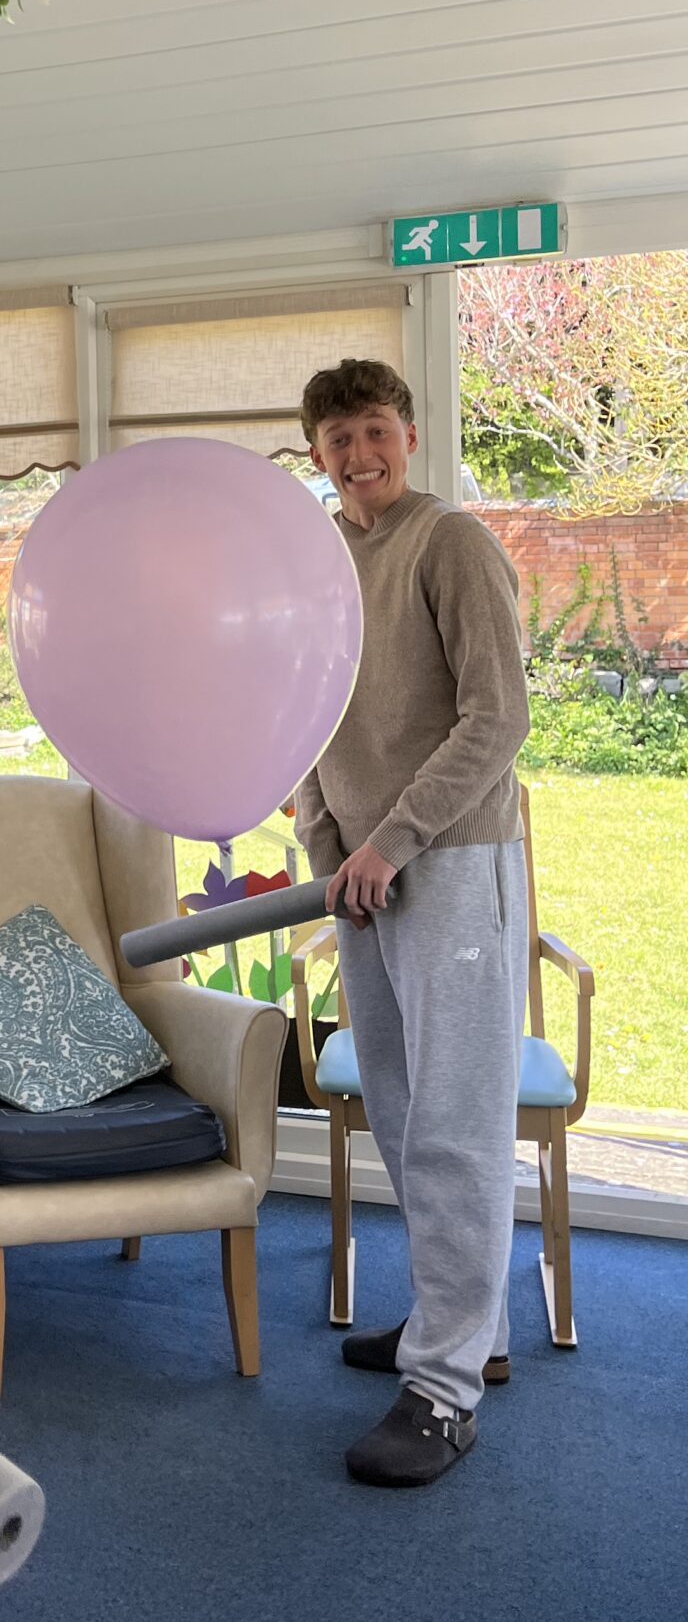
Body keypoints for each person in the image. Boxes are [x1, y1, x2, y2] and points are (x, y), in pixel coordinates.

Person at [294, 357, 531, 1490]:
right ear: (317, 454)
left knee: (455, 1123)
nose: (360, 454)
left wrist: (394, 839)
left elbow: (500, 716)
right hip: (362, 877)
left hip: (452, 863)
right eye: (338, 438)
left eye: (376, 430)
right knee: (396, 1110)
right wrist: (330, 848)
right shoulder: (317, 563)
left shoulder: (452, 544)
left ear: (410, 436)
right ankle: (468, 1325)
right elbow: (295, 714)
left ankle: (443, 1391)